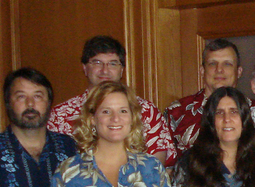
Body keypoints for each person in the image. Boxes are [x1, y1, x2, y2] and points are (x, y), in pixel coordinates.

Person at [46, 81, 174, 187]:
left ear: (132, 118)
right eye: (106, 111)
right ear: (92, 118)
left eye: (123, 111)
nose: (115, 118)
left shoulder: (153, 169)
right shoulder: (68, 173)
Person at [47, 35, 173, 164]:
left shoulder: (146, 110)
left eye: (112, 63)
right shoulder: (59, 115)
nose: (105, 70)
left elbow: (157, 164)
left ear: (122, 70)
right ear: (84, 68)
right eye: (97, 62)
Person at [165, 39, 243, 166]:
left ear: (239, 72)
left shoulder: (252, 110)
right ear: (202, 70)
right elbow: (166, 167)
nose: (219, 70)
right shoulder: (177, 112)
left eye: (227, 64)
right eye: (212, 64)